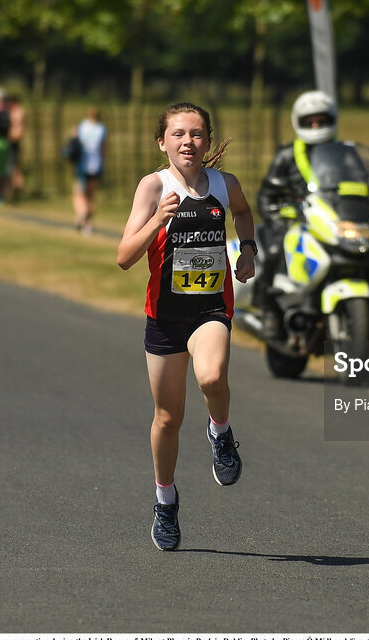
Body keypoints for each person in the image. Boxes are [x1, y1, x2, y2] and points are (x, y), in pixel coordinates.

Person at [116, 102, 257, 552]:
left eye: (196, 134)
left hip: (210, 309)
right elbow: (124, 257)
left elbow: (244, 213)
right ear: (163, 142)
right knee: (167, 417)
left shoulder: (224, 184)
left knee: (212, 376)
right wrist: (158, 218)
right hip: (164, 318)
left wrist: (248, 249)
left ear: (208, 141)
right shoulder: (152, 187)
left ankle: (220, 432)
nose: (188, 142)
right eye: (178, 134)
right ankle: (165, 500)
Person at [253, 90, 338, 337]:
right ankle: (268, 308)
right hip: (294, 222)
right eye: (310, 121)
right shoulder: (287, 154)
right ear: (298, 122)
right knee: (274, 251)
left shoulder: (345, 152)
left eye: (321, 120)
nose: (315, 125)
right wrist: (279, 218)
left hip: (331, 222)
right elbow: (267, 194)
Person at [73, 106, 108, 235]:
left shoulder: (82, 126)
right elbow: (104, 150)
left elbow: (74, 141)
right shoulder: (102, 129)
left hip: (82, 165)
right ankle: (88, 225)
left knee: (78, 192)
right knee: (91, 196)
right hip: (96, 166)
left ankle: (82, 214)